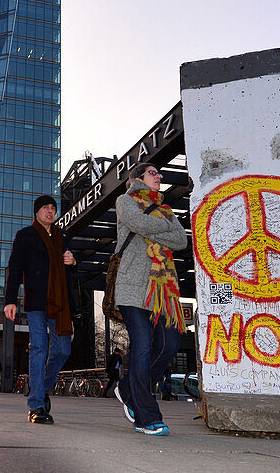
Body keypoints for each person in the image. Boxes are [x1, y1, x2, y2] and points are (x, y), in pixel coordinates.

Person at [112, 162, 189, 436]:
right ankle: (147, 416)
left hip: (163, 291)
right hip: (133, 288)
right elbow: (137, 222)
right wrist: (162, 228)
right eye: (153, 173)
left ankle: (128, 390)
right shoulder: (125, 200)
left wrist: (157, 228)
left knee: (169, 345)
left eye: (159, 173)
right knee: (143, 347)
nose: (159, 176)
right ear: (138, 178)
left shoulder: (167, 209)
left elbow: (181, 240)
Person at [5, 195, 78, 424]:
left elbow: (70, 275)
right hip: (36, 302)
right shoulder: (25, 235)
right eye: (45, 208)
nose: (50, 211)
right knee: (38, 348)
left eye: (53, 208)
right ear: (36, 212)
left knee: (63, 350)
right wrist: (10, 300)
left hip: (60, 304)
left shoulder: (63, 236)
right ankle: (36, 406)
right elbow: (15, 268)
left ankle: (42, 388)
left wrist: (73, 262)